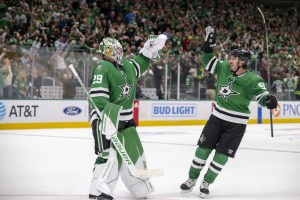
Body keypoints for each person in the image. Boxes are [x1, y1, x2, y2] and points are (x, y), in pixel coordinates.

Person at [180, 26, 278, 198]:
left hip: (236, 124)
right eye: (231, 57)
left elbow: (262, 96)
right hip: (217, 118)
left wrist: (269, 100)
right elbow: (207, 60)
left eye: (234, 58)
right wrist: (208, 43)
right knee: (202, 151)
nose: (230, 60)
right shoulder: (224, 67)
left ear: (243, 62)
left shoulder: (253, 79)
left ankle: (206, 182)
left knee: (221, 156)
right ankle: (191, 179)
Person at [89, 35, 167, 200]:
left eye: (117, 48)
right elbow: (98, 98)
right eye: (112, 50)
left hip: (126, 120)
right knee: (108, 155)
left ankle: (139, 187)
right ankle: (98, 191)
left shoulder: (127, 65)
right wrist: (107, 119)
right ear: (105, 53)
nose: (116, 52)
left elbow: (141, 62)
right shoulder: (102, 67)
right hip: (105, 119)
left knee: (134, 154)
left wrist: (149, 50)